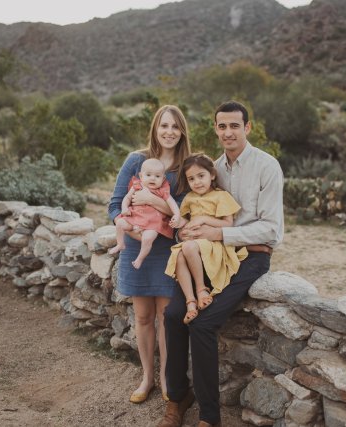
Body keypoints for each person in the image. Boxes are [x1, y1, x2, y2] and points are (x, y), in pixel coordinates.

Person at [158, 101, 284, 427]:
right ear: (215, 129)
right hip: (208, 253)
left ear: (247, 128)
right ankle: (178, 397)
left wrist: (220, 233)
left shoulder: (267, 166)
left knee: (203, 323)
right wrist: (187, 231)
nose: (228, 132)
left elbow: (272, 230)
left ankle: (210, 417)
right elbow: (193, 215)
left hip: (251, 255)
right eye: (222, 126)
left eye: (235, 126)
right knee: (172, 315)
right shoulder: (211, 169)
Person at [108, 105, 191, 404]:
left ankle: (167, 379)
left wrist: (153, 202)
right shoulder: (136, 161)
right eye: (164, 125)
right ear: (155, 128)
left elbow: (184, 215)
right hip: (136, 248)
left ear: (182, 132)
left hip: (168, 252)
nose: (169, 132)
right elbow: (115, 205)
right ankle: (147, 378)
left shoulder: (186, 168)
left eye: (175, 126)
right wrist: (131, 231)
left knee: (167, 318)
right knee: (143, 317)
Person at [164, 153, 248, 324]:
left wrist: (204, 219)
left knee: (187, 248)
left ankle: (201, 289)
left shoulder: (221, 196)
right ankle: (191, 302)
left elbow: (228, 224)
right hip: (194, 242)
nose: (197, 182)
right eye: (191, 179)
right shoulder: (190, 198)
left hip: (213, 244)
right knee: (178, 255)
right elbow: (187, 220)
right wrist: (180, 223)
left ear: (212, 175)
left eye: (201, 176)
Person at [109, 158, 182, 269]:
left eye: (157, 176)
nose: (152, 178)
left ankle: (140, 258)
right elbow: (127, 198)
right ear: (141, 176)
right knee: (120, 223)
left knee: (148, 239)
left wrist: (176, 214)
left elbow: (172, 204)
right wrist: (124, 208)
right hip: (134, 218)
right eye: (148, 175)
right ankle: (120, 244)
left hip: (152, 224)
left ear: (163, 179)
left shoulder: (162, 190)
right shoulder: (137, 186)